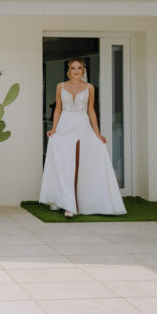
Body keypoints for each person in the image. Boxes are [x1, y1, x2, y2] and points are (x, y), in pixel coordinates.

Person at [39, 57, 125, 217]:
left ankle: (86, 201)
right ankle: (66, 203)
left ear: (83, 70)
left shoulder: (90, 87)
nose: (76, 71)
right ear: (69, 70)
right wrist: (54, 128)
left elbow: (91, 110)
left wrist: (97, 133)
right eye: (73, 68)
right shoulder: (61, 86)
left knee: (87, 161)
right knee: (65, 164)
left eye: (79, 68)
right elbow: (58, 108)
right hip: (65, 125)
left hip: (82, 125)